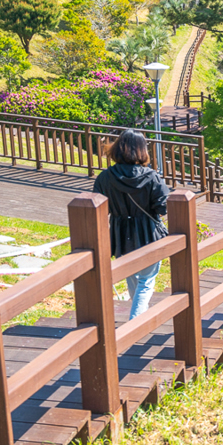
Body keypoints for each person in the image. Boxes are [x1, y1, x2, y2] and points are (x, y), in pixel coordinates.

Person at [93, 129, 170, 319]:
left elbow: (97, 206)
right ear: (142, 150)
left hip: (120, 235)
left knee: (133, 278)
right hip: (148, 234)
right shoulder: (151, 177)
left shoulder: (105, 177)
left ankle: (138, 319)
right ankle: (136, 322)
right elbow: (164, 207)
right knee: (146, 280)